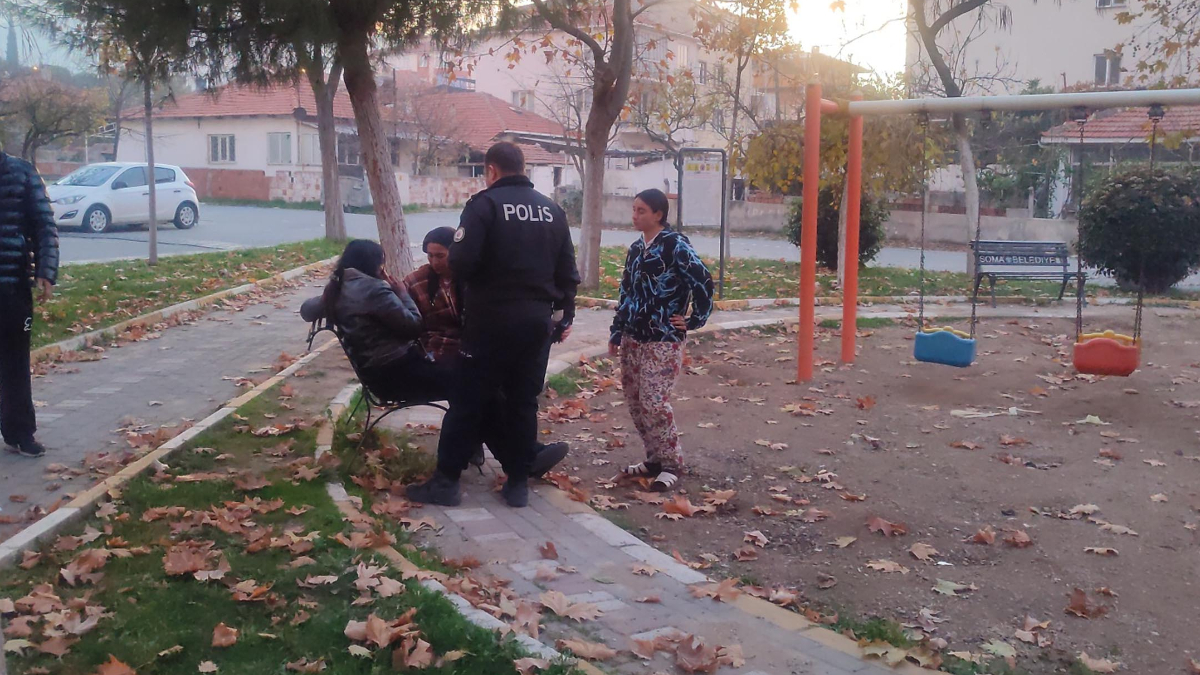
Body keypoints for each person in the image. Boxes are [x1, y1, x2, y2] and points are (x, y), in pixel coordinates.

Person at [407, 142, 580, 508]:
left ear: (491, 170)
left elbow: (461, 262)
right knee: (522, 402)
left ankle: (446, 482)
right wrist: (565, 314)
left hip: (490, 322)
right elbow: (568, 270)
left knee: (468, 399)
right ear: (523, 167)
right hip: (536, 323)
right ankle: (517, 484)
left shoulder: (483, 206)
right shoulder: (552, 210)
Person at [302, 239, 567, 476]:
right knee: (475, 387)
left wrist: (328, 296)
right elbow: (413, 325)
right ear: (374, 264)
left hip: (384, 372)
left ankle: (516, 454)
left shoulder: (341, 288)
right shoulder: (375, 290)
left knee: (475, 385)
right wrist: (401, 294)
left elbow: (306, 310)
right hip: (397, 372)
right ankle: (522, 460)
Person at [609, 188, 713, 492]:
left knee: (654, 402)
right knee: (635, 401)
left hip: (663, 339)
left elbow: (703, 281)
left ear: (658, 214)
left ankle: (672, 464)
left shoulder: (675, 246)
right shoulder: (636, 249)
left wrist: (694, 319)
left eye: (641, 210)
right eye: (633, 209)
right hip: (633, 336)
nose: (635, 215)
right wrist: (617, 330)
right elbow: (627, 291)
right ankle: (654, 458)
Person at [1, 151, 58, 459]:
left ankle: (20, 432)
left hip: (12, 287)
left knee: (15, 364)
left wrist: (46, 272)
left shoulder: (22, 173)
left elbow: (44, 225)